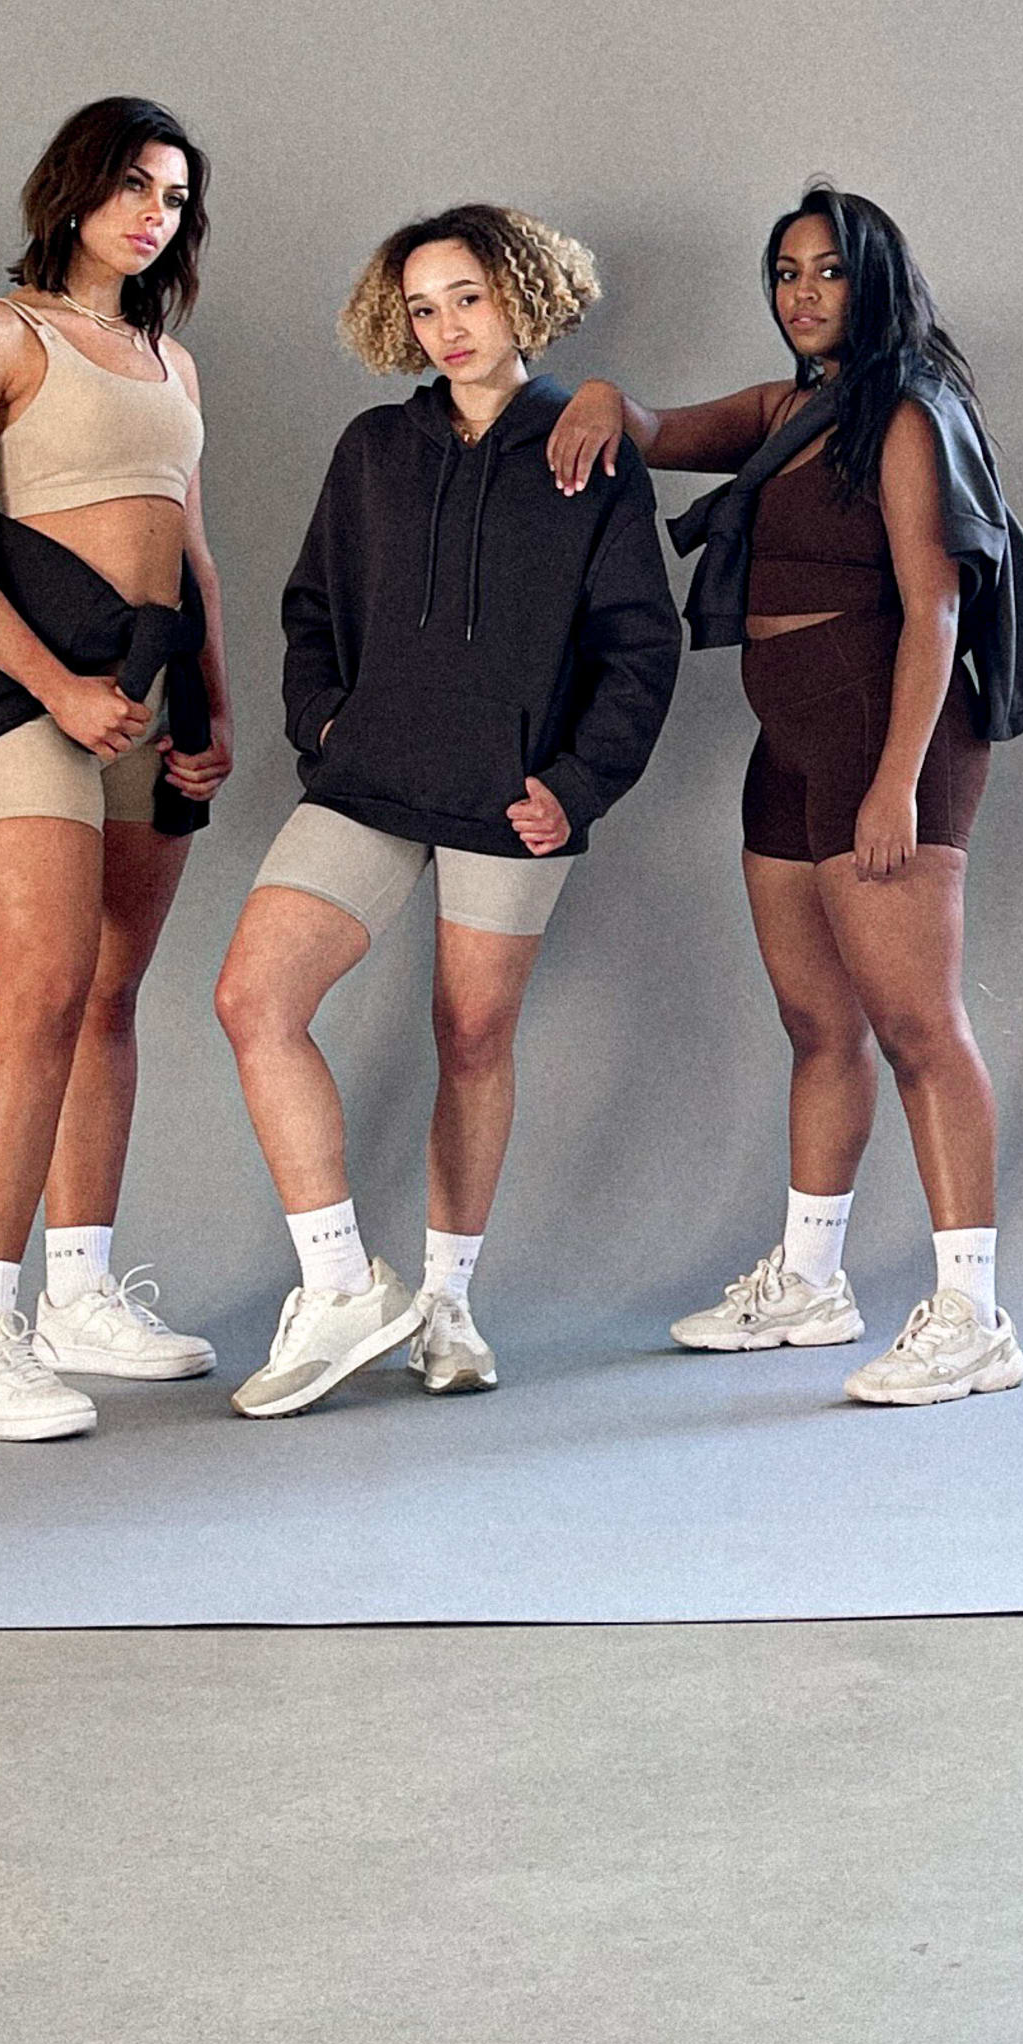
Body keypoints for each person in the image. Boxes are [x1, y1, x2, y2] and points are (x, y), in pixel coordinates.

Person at [547, 184, 1022, 1413]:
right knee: (818, 1024)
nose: (803, 294)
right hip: (791, 738)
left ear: (875, 282)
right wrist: (600, 397)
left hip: (884, 734)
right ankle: (813, 1280)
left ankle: (974, 1313)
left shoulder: (907, 414)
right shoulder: (787, 409)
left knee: (919, 1028)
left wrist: (896, 784)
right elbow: (654, 427)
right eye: (785, 273)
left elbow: (938, 608)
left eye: (828, 272)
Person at [214, 205, 682, 1417]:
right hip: (370, 779)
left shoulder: (585, 452)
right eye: (423, 306)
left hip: (508, 796)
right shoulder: (375, 447)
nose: (448, 326)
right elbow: (310, 605)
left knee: (471, 1037)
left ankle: (449, 1303)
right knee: (255, 1000)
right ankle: (340, 1284)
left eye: (467, 296)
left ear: (519, 294)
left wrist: (577, 785)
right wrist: (323, 724)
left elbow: (640, 643)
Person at [0, 96, 232, 1444]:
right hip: (35, 688)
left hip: (153, 696)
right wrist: (56, 688)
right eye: (136, 185)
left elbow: (192, 552)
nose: (155, 214)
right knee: (38, 992)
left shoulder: (169, 362)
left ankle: (78, 1296)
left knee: (110, 994)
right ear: (74, 188)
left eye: (177, 198)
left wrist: (212, 705)